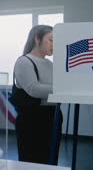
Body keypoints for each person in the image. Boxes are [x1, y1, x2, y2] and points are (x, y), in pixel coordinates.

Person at [13, 25, 62, 165]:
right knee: (32, 161)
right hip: (32, 119)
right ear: (37, 39)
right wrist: (61, 89)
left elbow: (53, 86)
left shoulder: (50, 64)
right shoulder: (24, 61)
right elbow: (33, 89)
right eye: (51, 40)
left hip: (53, 115)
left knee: (50, 159)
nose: (54, 44)